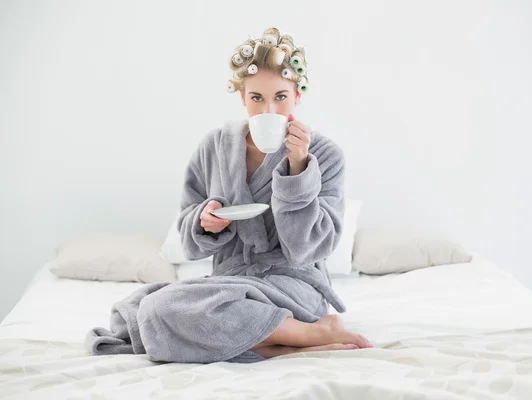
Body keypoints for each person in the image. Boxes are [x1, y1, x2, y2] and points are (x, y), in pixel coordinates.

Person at [85, 27, 372, 364]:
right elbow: (189, 227)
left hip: (293, 288)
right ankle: (286, 344)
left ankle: (311, 331)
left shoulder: (324, 155)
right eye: (256, 98)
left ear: (297, 96)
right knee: (137, 310)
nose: (269, 109)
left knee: (162, 310)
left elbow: (308, 249)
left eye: (280, 97)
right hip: (230, 284)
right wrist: (205, 221)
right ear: (242, 98)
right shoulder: (214, 147)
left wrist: (299, 167)